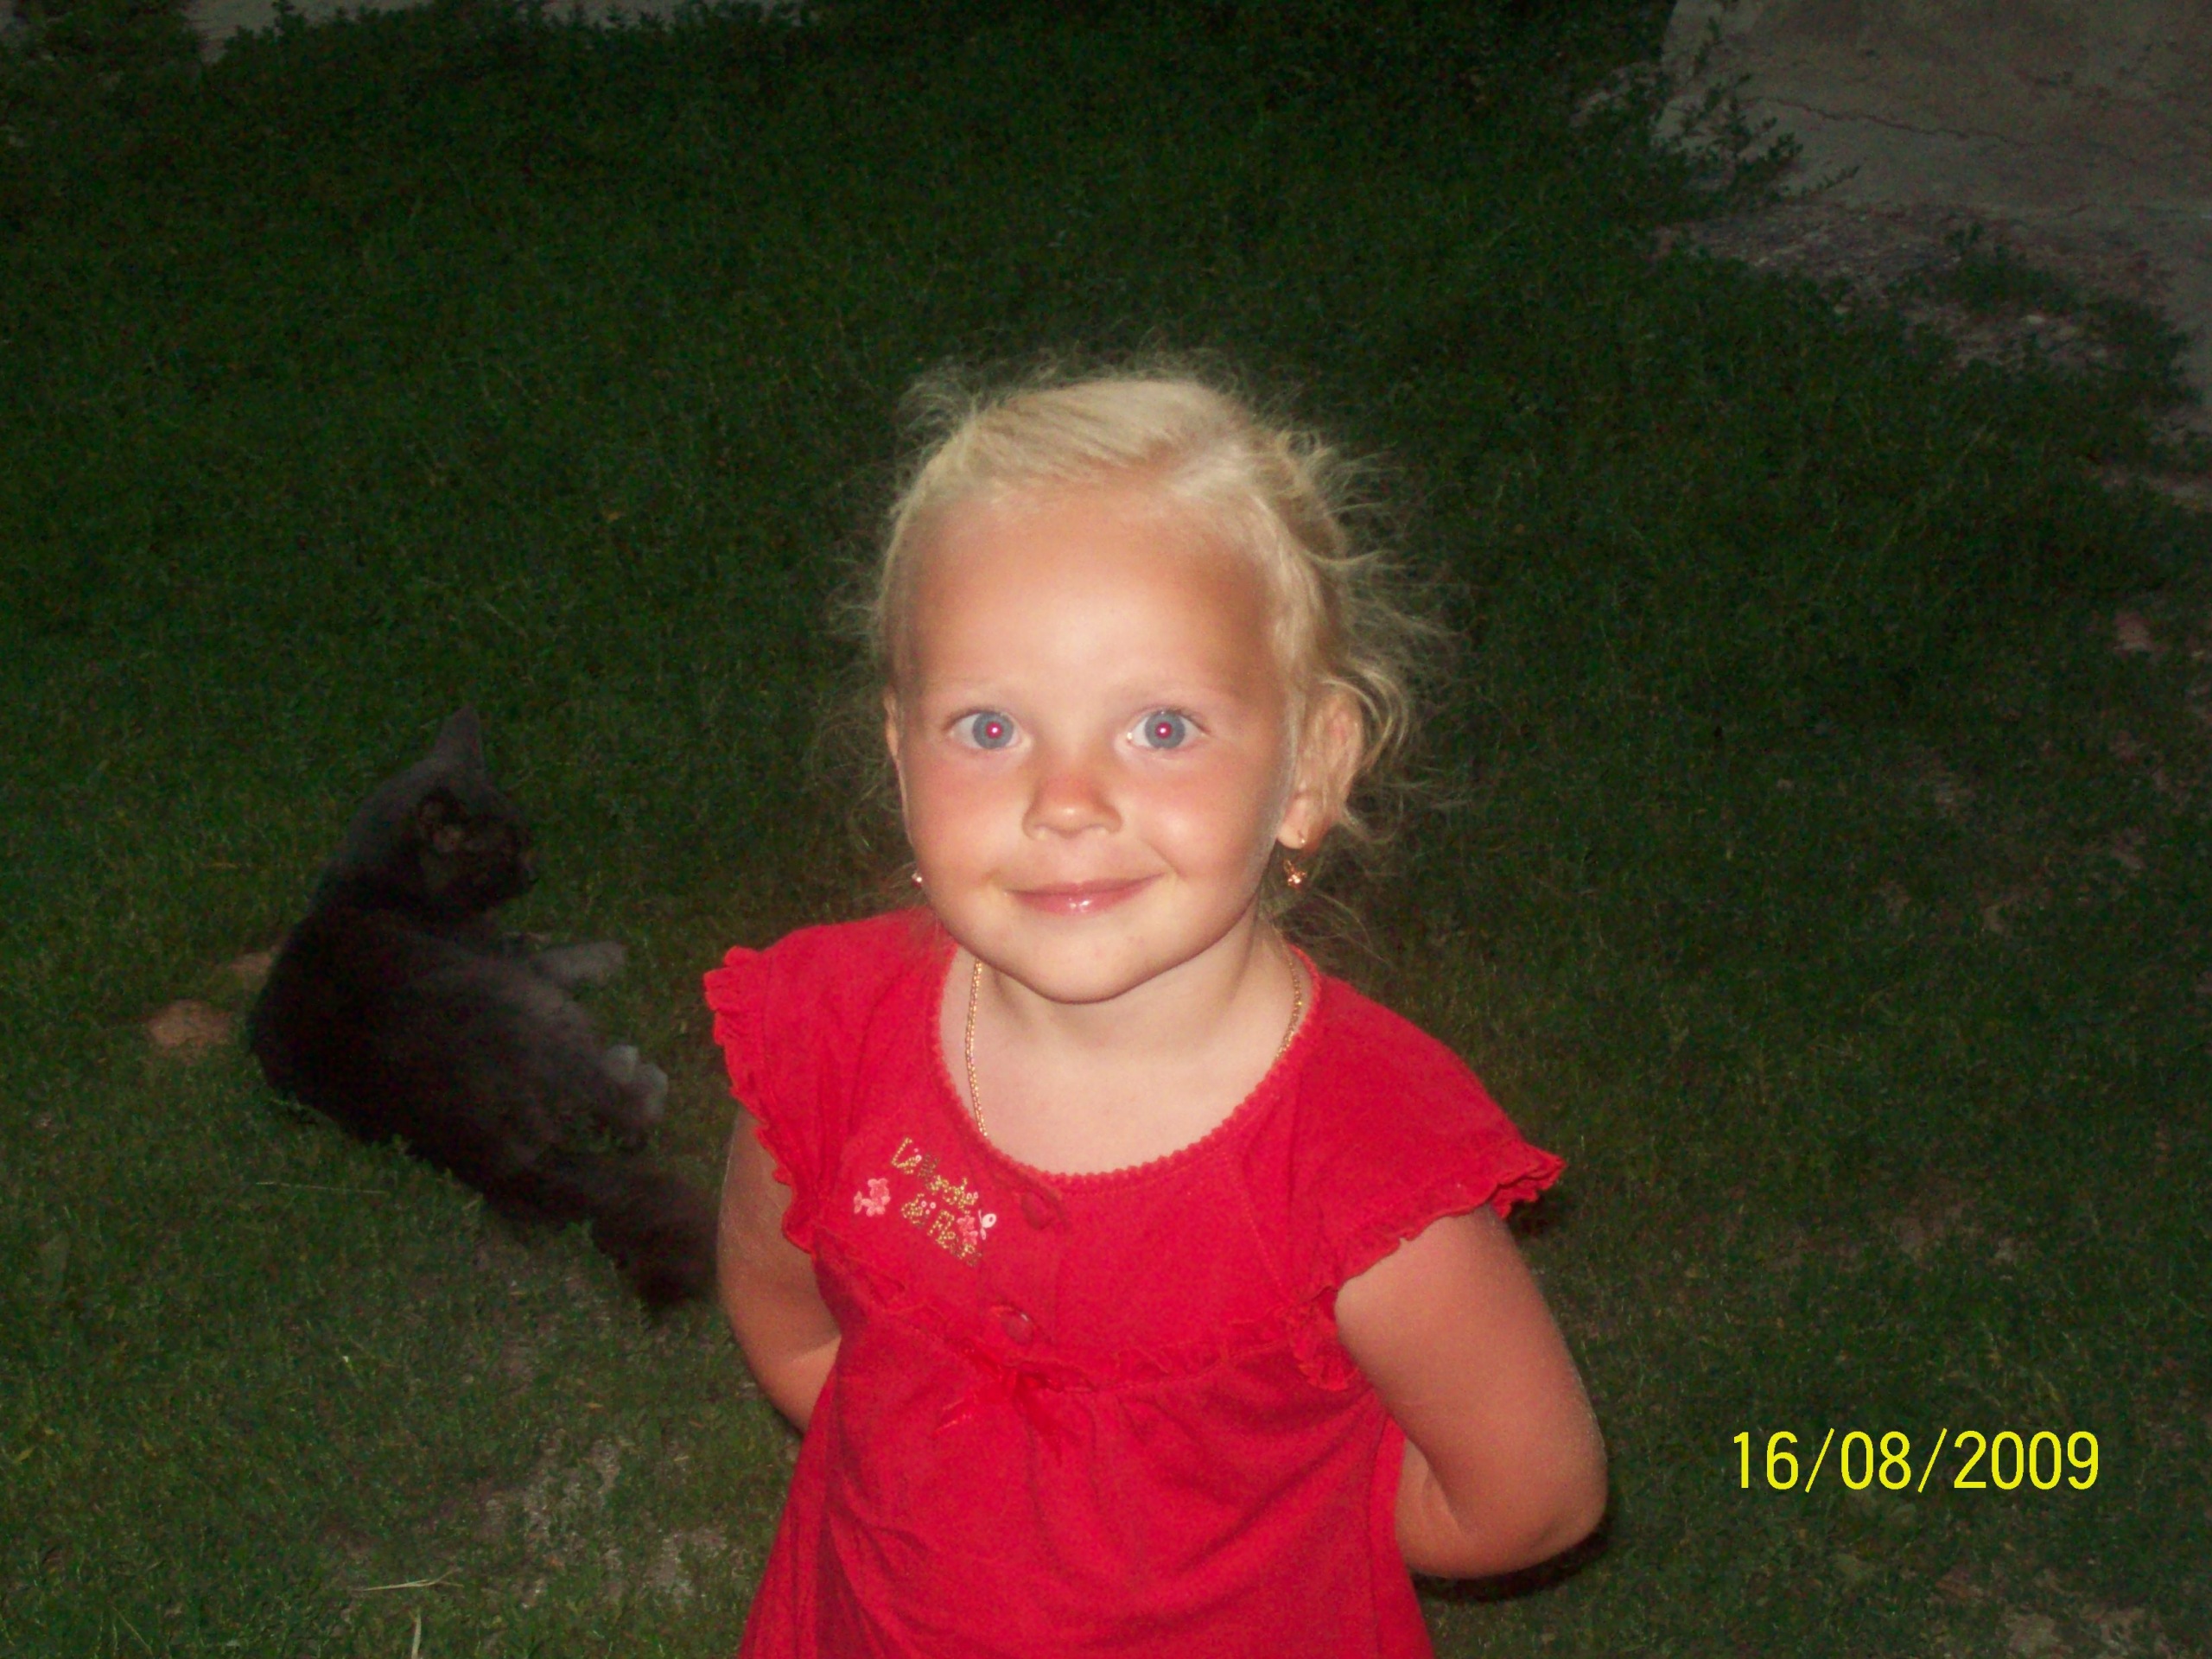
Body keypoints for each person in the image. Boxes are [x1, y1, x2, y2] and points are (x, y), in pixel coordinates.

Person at [708, 370, 1606, 1657]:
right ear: (902, 755)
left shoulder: (1365, 1171)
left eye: (1163, 727)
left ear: (1311, 766)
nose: (1066, 801)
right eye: (990, 727)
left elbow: (1530, 1498)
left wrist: (1290, 1554)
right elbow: (784, 1314)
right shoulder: (829, 1037)